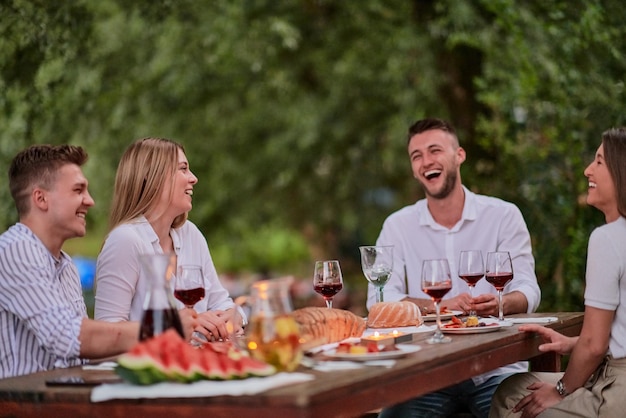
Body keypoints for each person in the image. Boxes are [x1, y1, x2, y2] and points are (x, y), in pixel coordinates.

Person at [369, 118, 541, 418]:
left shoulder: (503, 216)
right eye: (416, 156)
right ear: (412, 168)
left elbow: (528, 289)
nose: (426, 162)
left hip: (497, 371)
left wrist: (501, 302)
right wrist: (438, 307)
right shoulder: (397, 226)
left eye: (434, 150)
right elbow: (378, 300)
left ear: (459, 155)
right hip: (428, 374)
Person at [0, 144, 196, 379]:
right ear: (41, 199)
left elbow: (84, 354)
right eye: (78, 190)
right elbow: (67, 335)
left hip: (64, 401)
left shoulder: (65, 264)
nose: (89, 201)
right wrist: (163, 328)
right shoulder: (16, 250)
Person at [489, 127, 626, 418]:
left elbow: (594, 344)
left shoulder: (608, 238)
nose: (588, 170)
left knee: (514, 397)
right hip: (613, 372)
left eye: (599, 162)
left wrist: (561, 389)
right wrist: (572, 343)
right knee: (517, 386)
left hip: (617, 393)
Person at [94, 137, 245, 342]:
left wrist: (233, 316)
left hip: (196, 365)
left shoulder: (191, 234)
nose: (193, 178)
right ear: (151, 176)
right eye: (183, 169)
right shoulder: (125, 241)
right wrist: (174, 326)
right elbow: (105, 333)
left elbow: (221, 302)